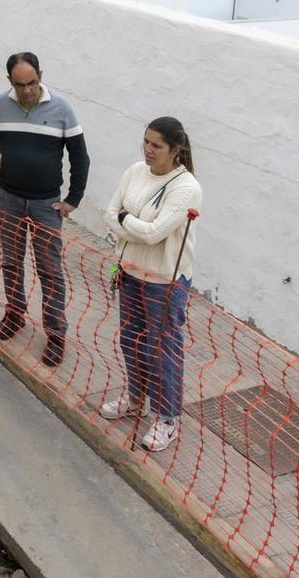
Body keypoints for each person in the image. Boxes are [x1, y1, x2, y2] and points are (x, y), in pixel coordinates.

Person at [0, 52, 90, 366]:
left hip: (47, 205)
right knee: (11, 262)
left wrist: (73, 199)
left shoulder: (61, 109)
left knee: (49, 271)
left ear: (41, 75)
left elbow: (80, 156)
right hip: (7, 199)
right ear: (10, 82)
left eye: (32, 82)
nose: (28, 90)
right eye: (20, 85)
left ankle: (56, 335)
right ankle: (14, 314)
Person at [100, 117, 202, 452]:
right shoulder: (134, 171)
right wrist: (132, 224)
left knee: (161, 350)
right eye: (145, 141)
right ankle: (135, 398)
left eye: (156, 145)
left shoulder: (186, 188)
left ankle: (167, 418)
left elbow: (156, 233)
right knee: (131, 340)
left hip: (164, 283)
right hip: (129, 272)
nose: (147, 150)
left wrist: (124, 221)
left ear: (175, 150)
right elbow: (108, 213)